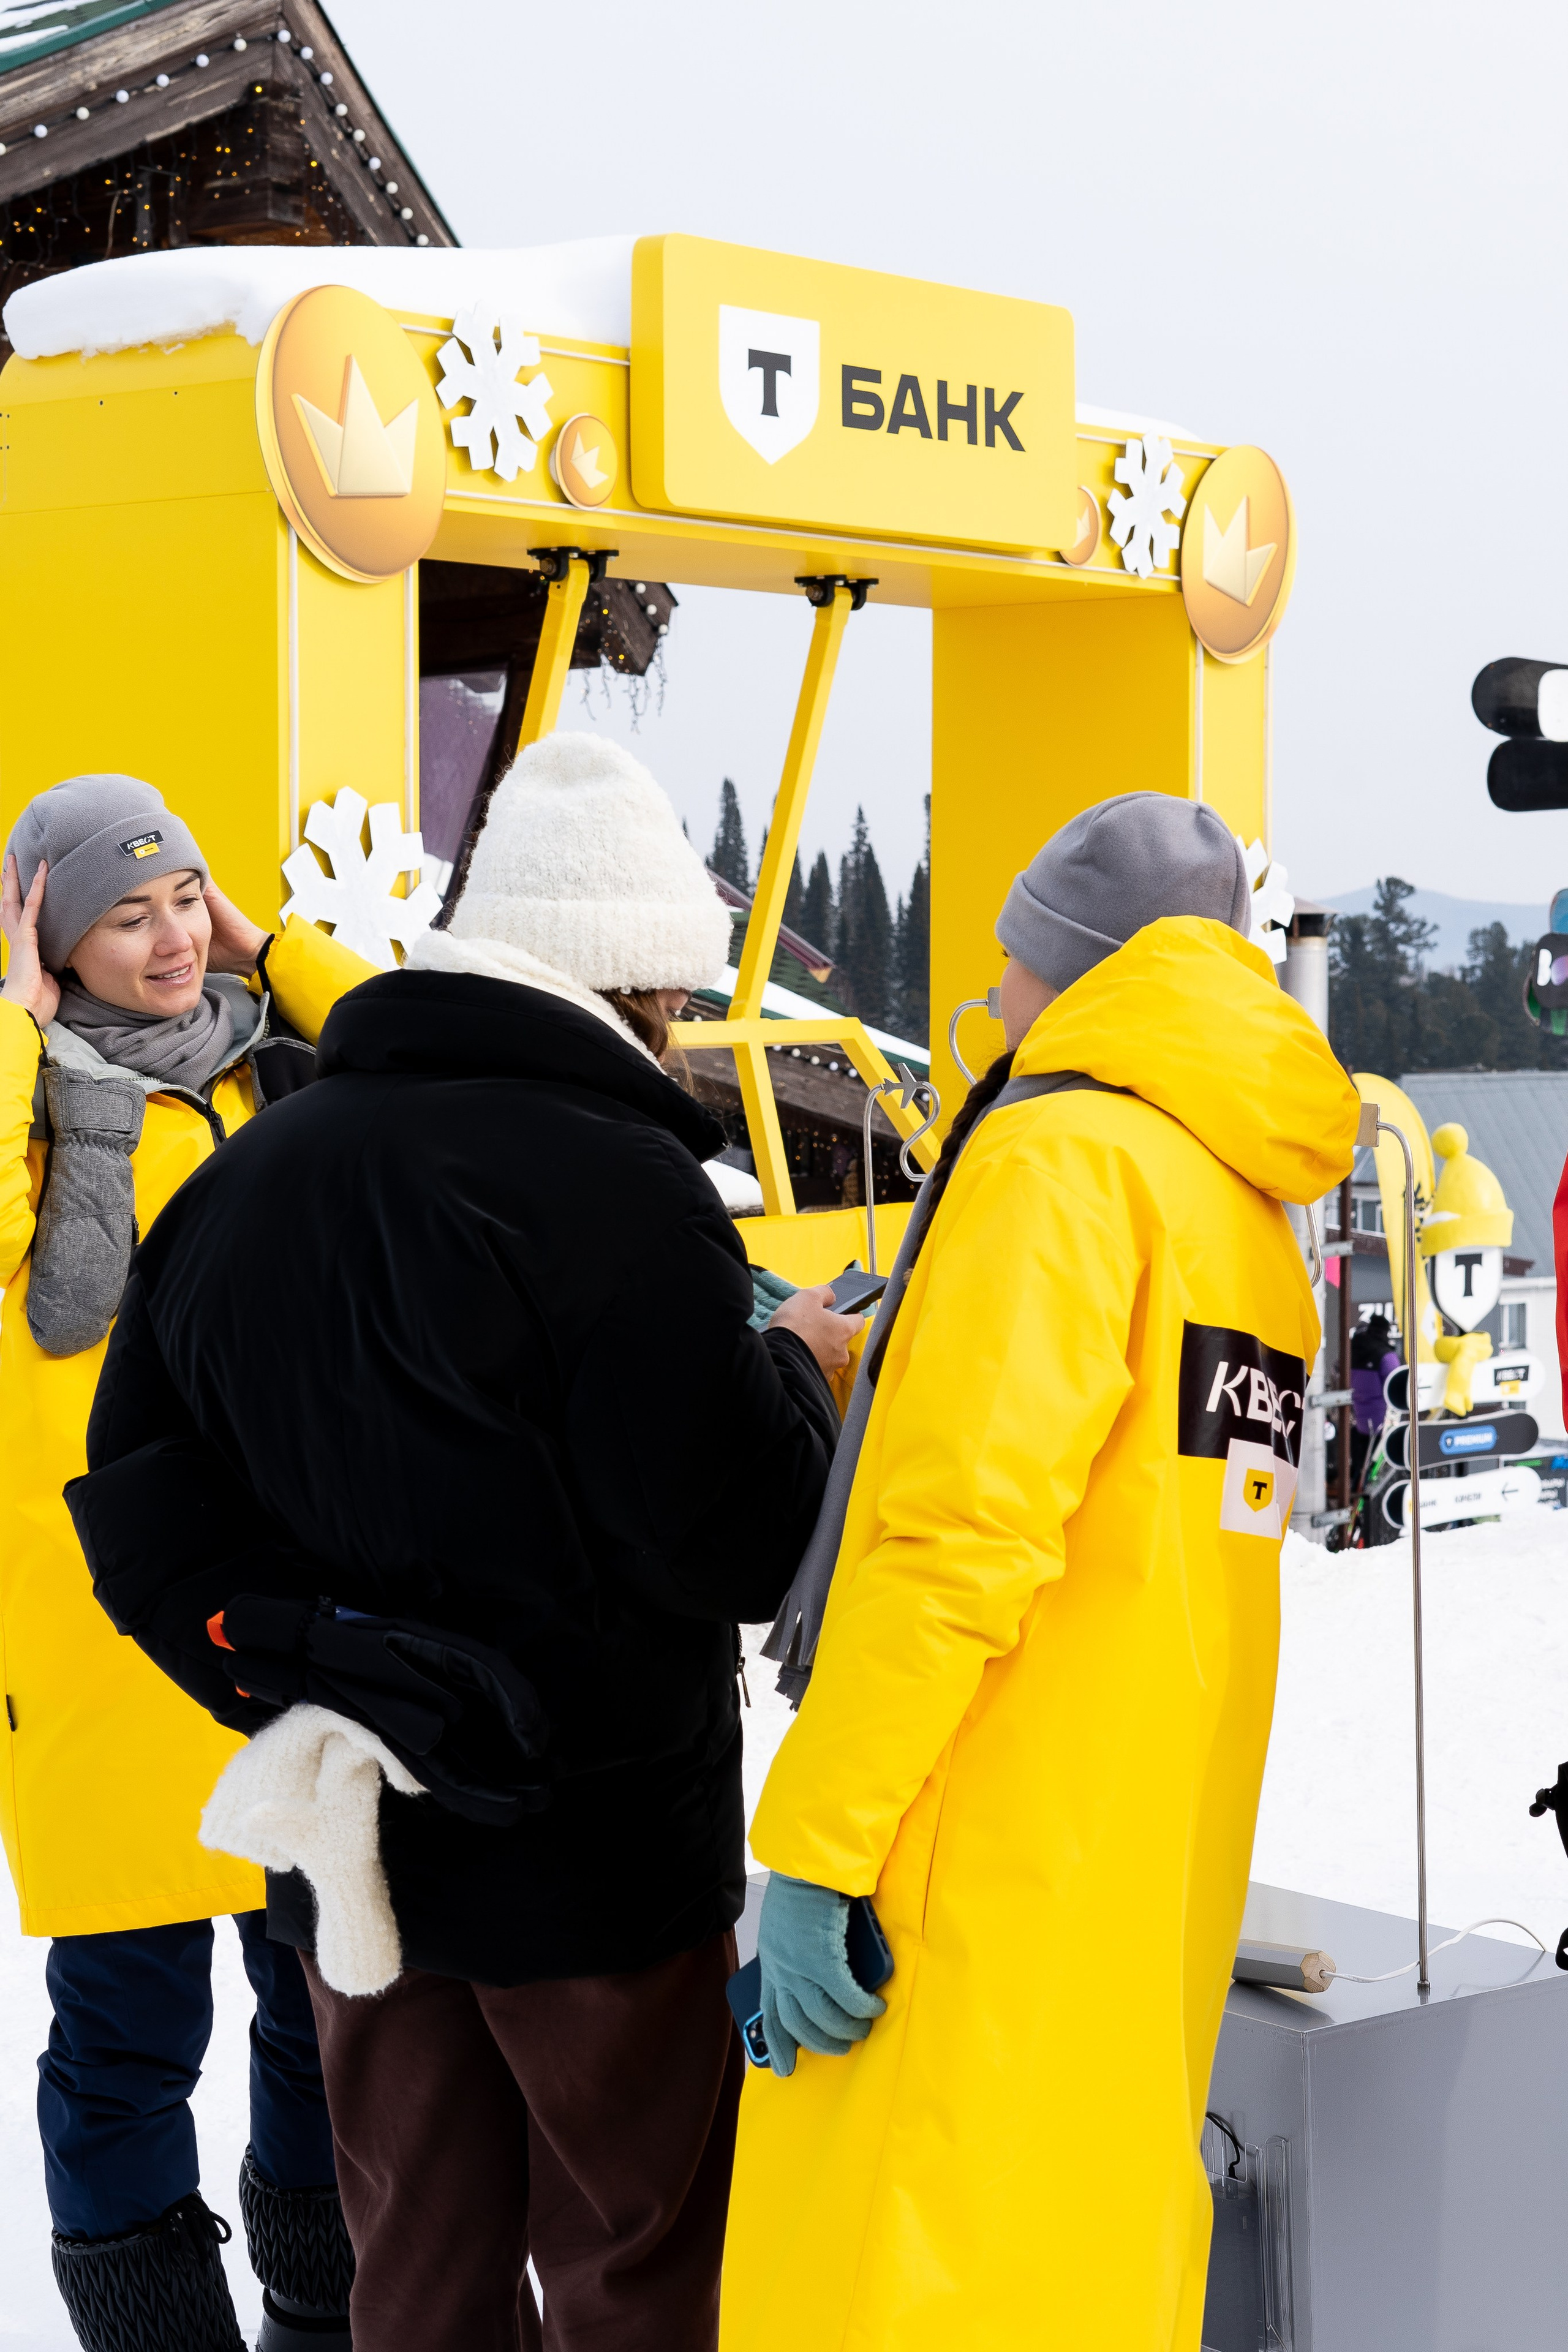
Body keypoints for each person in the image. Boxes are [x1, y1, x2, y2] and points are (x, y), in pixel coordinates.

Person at [66, 731, 862, 2352]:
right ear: (631, 983)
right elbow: (738, 1537)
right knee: (643, 2265)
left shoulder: (246, 1174)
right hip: (599, 1869)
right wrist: (801, 1367)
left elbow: (141, 1513)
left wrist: (313, 1673)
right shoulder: (628, 1187)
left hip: (352, 1853)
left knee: (416, 2275)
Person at [720, 793, 1361, 2352]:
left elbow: (960, 1541)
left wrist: (813, 1845)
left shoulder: (1055, 1162)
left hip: (968, 1848)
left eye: (1010, 966)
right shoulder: (1242, 1206)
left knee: (895, 2279)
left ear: (1074, 971)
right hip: (1135, 1863)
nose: (989, 1002)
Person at [0, 774, 374, 2351]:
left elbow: (409, 1042)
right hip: (101, 1636)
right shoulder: (31, 1109)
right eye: (122, 914)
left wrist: (275, 944)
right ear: (51, 944)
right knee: (127, 2033)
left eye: (183, 902)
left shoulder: (271, 1067)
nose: (165, 941)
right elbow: (61, 1315)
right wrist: (23, 1034)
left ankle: (318, 2309)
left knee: (316, 2012)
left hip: (281, 1611)